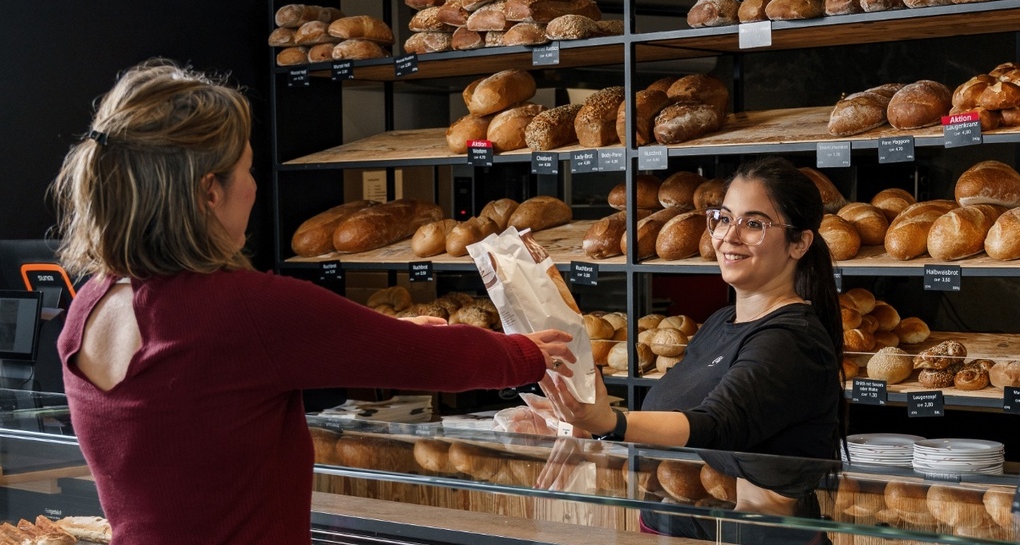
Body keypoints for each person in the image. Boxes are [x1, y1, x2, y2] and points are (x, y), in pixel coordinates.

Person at [49, 58, 576, 545]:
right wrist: (524, 353)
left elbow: (214, 391)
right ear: (210, 192)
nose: (254, 188)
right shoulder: (243, 307)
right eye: (249, 170)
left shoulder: (87, 308)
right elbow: (433, 361)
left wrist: (390, 335)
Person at [540, 156, 846, 542]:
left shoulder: (792, 339)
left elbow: (718, 425)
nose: (728, 236)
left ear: (799, 243)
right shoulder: (721, 321)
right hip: (689, 530)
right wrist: (584, 421)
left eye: (754, 224)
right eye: (723, 217)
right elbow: (681, 415)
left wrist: (611, 423)